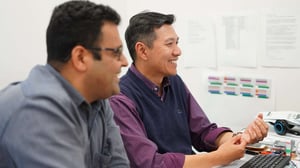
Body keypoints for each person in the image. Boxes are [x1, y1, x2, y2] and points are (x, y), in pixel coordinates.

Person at [109, 11, 269, 168]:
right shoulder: (120, 99)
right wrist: (218, 157)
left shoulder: (173, 81)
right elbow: (150, 163)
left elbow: (202, 131)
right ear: (143, 51)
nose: (178, 51)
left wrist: (238, 139)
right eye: (169, 44)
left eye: (177, 43)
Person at [0, 1, 130, 167]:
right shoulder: (39, 110)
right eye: (117, 52)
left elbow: (118, 164)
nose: (125, 62)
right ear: (80, 58)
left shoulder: (99, 101)